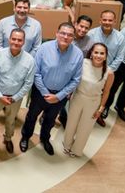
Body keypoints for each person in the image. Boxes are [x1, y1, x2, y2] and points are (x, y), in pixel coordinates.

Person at [19, 23, 83, 155]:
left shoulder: (78, 55)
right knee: (32, 116)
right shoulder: (44, 48)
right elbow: (36, 73)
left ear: (73, 37)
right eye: (63, 33)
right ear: (57, 33)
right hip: (40, 92)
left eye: (70, 35)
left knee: (50, 119)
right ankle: (26, 136)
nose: (65, 37)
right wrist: (45, 93)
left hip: (60, 96)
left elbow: (76, 79)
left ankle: (45, 139)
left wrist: (59, 96)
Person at [0, 29, 36, 153]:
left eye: (19, 40)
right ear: (9, 39)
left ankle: (8, 138)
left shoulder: (30, 60)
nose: (16, 42)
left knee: (11, 121)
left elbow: (28, 83)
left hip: (15, 98)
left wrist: (15, 97)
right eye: (14, 39)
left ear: (23, 42)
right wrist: (0, 95)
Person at [62, 43, 114, 158]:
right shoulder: (83, 63)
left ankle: (77, 150)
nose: (98, 56)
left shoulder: (109, 72)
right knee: (71, 123)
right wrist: (69, 92)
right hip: (78, 97)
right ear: (91, 53)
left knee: (85, 128)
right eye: (96, 52)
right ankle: (67, 144)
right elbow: (74, 79)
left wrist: (101, 109)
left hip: (93, 102)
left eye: (102, 53)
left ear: (105, 56)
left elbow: (106, 92)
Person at [88, 10, 125, 74]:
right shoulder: (91, 34)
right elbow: (87, 53)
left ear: (115, 22)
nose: (107, 22)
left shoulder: (120, 37)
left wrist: (109, 70)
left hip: (110, 70)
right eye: (104, 20)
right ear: (100, 21)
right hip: (91, 69)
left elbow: (119, 57)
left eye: (110, 20)